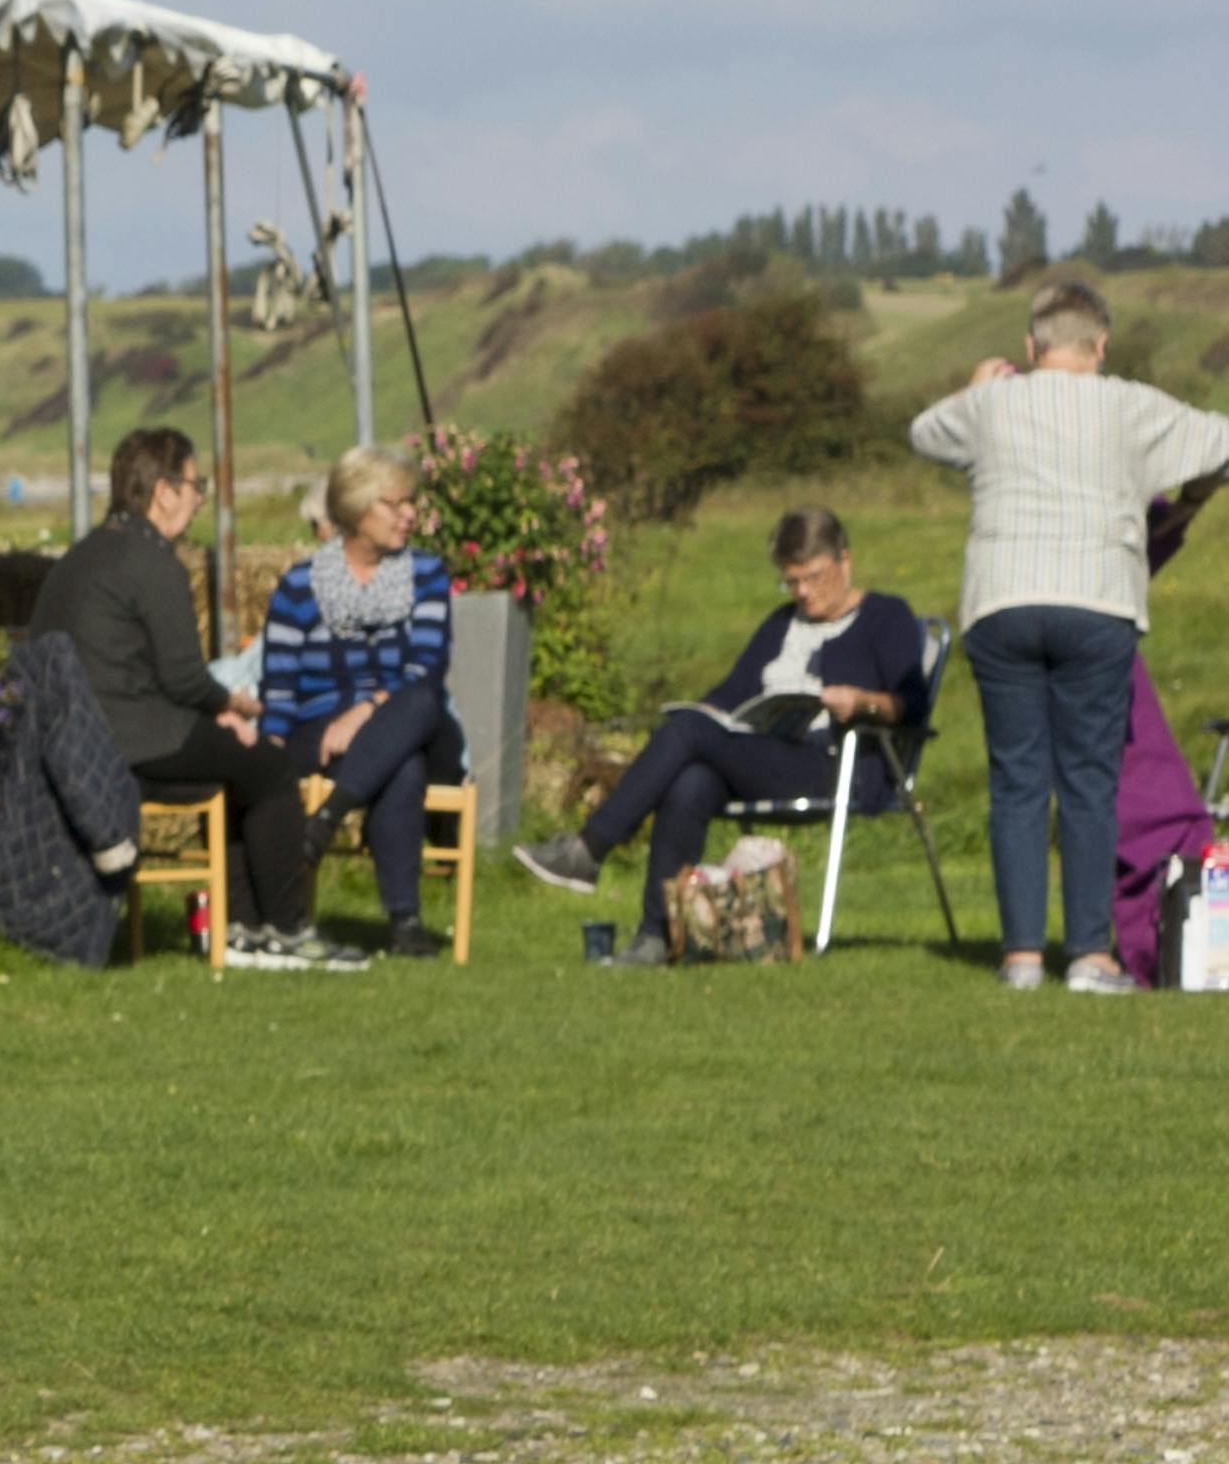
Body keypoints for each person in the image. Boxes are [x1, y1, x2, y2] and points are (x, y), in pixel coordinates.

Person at [912, 282, 1229, 992]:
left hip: (1001, 601)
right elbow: (1221, 444)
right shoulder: (1129, 404)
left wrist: (971, 388)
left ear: (1031, 347)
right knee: (1089, 782)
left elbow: (923, 432)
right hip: (1095, 603)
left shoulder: (992, 405)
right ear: (1100, 345)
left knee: (1016, 781)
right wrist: (1193, 492)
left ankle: (1021, 958)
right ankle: (1088, 956)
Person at [509, 508, 930, 948]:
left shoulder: (886, 616)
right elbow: (729, 695)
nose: (803, 592)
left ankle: (590, 847)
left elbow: (912, 705)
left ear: (845, 560)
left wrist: (862, 701)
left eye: (813, 577)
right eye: (791, 581)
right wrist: (700, 714)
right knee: (691, 781)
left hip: (837, 765)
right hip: (768, 756)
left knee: (691, 731)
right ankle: (658, 936)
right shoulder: (781, 624)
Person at [29, 426, 320, 951]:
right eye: (195, 484)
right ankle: (286, 929)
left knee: (236, 764)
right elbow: (183, 678)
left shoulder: (80, 556)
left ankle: (239, 928)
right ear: (164, 492)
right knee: (271, 767)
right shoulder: (152, 560)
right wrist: (234, 704)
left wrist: (216, 719)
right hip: (137, 738)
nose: (200, 498)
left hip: (79, 742)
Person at [254, 442, 461, 962]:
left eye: (411, 502)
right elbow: (278, 683)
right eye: (395, 503)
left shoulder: (428, 576)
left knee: (416, 708)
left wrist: (367, 710)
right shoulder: (300, 586)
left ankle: (324, 821)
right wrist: (269, 753)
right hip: (320, 731)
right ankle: (405, 922)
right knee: (401, 762)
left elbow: (427, 666)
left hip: (405, 714)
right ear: (357, 507)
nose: (410, 514)